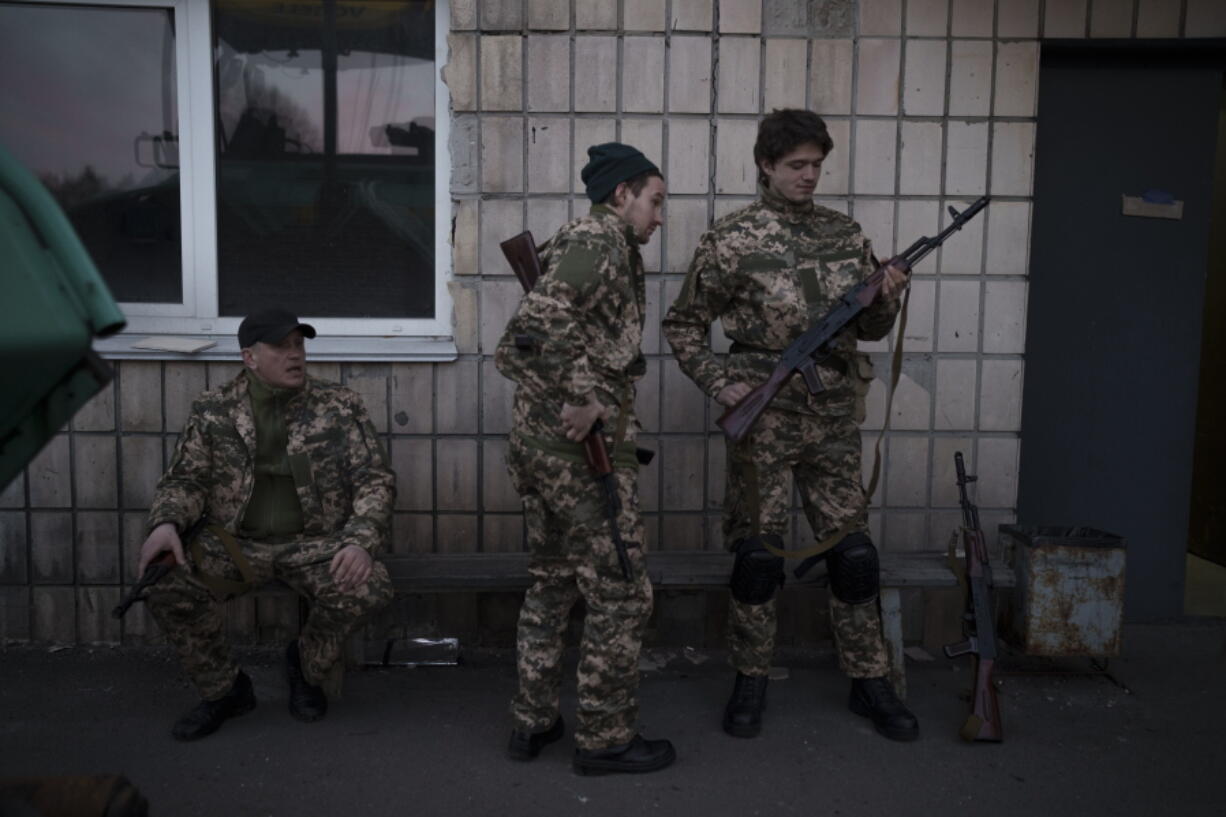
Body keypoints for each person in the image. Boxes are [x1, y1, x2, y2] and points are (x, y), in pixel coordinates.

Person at [661, 109, 919, 742]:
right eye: (797, 165)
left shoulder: (844, 233)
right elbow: (684, 324)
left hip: (832, 419)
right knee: (760, 557)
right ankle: (750, 677)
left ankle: (869, 679)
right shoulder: (731, 238)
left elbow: (869, 329)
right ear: (767, 167)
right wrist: (722, 383)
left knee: (854, 555)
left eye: (817, 166)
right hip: (766, 423)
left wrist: (887, 298)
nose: (809, 176)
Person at [495, 143, 676, 775]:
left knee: (552, 584)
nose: (660, 217)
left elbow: (535, 337)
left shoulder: (589, 243)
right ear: (621, 194)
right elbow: (533, 324)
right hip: (577, 460)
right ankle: (605, 738)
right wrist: (585, 395)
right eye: (654, 201)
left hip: (540, 451)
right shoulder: (599, 243)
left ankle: (533, 721)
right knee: (621, 593)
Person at [137, 308, 395, 741]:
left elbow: (375, 479)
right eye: (281, 347)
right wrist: (164, 523)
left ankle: (306, 666)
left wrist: (360, 541)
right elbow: (186, 479)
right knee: (163, 582)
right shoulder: (214, 409)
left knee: (369, 586)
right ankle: (225, 690)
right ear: (250, 357)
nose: (295, 355)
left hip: (315, 544)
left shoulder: (339, 405)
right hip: (236, 543)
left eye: (299, 344)